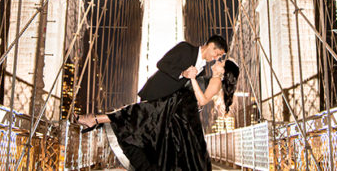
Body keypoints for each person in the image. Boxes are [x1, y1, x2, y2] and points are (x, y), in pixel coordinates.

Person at [77, 58, 240, 171]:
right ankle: (95, 119)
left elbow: (202, 100)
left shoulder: (217, 81)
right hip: (175, 107)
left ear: (224, 71)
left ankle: (95, 119)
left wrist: (193, 78)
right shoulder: (213, 78)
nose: (217, 62)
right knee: (142, 117)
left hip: (176, 109)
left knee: (140, 115)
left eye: (221, 62)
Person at [137, 35, 228, 102]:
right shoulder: (185, 48)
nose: (216, 58)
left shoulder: (202, 71)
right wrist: (183, 73)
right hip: (154, 94)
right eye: (218, 54)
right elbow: (161, 64)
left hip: (168, 105)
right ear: (211, 46)